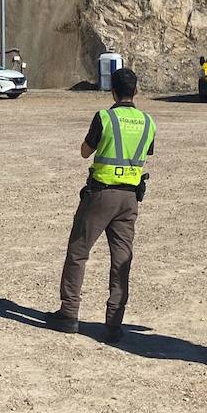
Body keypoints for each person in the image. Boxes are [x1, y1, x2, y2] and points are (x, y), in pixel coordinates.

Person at [45, 67, 155, 343]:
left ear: (113, 92)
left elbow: (85, 151)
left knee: (78, 251)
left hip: (101, 194)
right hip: (130, 198)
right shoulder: (148, 122)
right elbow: (147, 152)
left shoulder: (105, 117)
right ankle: (114, 324)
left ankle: (69, 313)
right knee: (121, 260)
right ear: (136, 91)